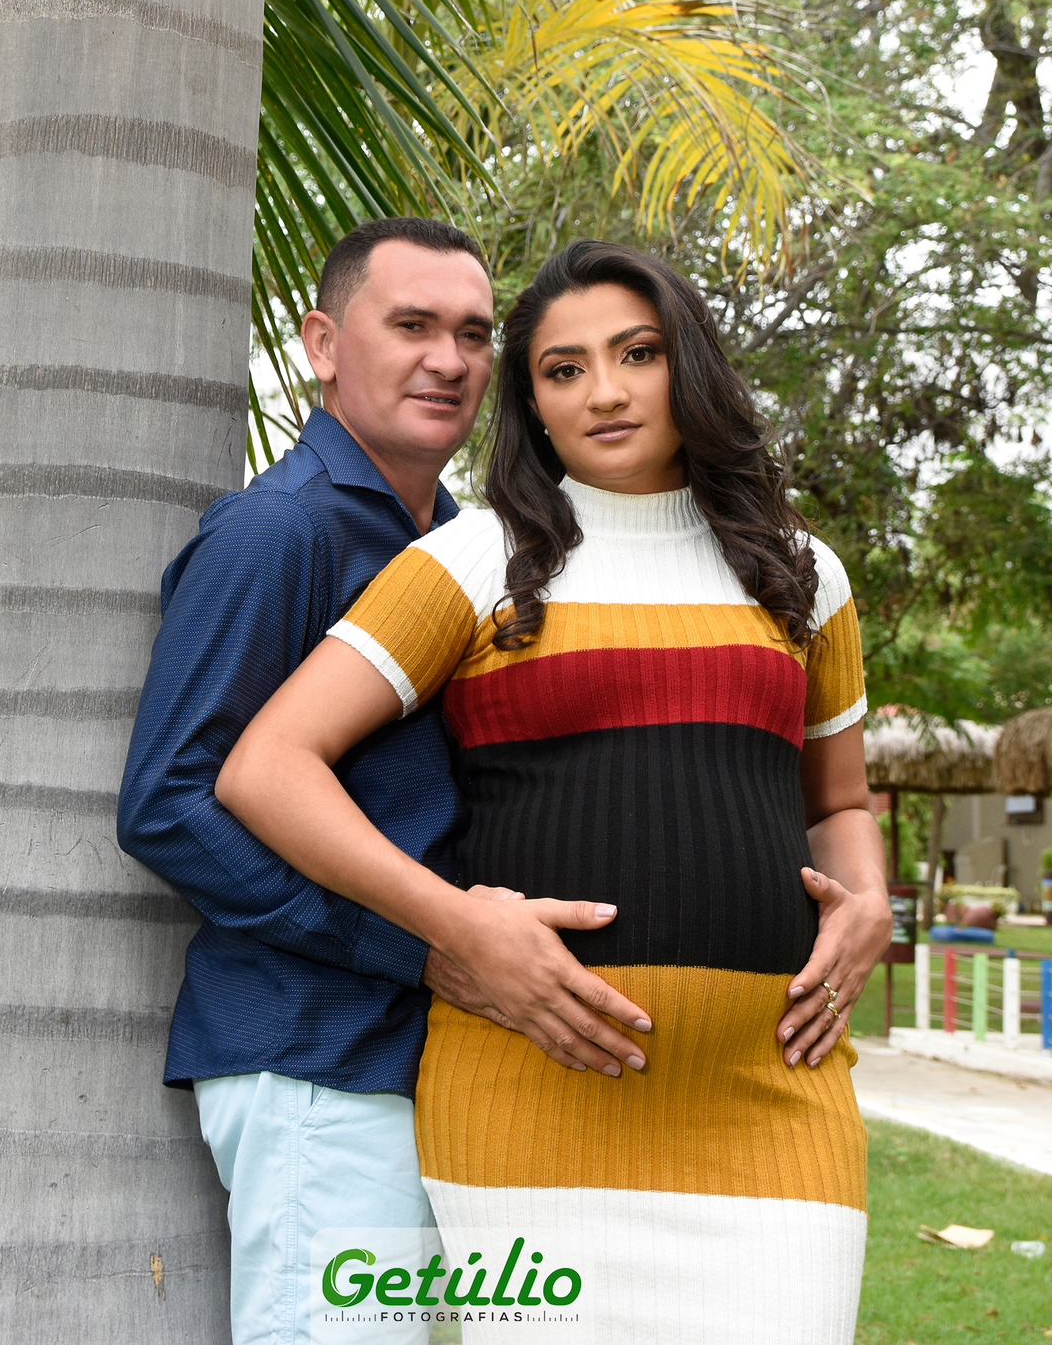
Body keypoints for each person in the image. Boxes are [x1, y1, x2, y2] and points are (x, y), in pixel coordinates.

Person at [214, 239, 894, 1344]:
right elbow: (267, 766)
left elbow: (840, 803)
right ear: (530, 402)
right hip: (526, 1100)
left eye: (638, 353)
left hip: (776, 1096)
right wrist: (457, 924)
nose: (605, 392)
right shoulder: (474, 559)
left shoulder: (802, 572)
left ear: (690, 365)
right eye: (563, 369)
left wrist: (871, 902)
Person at [117, 220, 651, 1345]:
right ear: (323, 344)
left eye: (473, 334)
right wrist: (418, 947)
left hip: (426, 1054)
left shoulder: (465, 546)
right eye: (411, 325)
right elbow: (170, 804)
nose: (448, 360)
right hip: (314, 1055)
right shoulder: (278, 531)